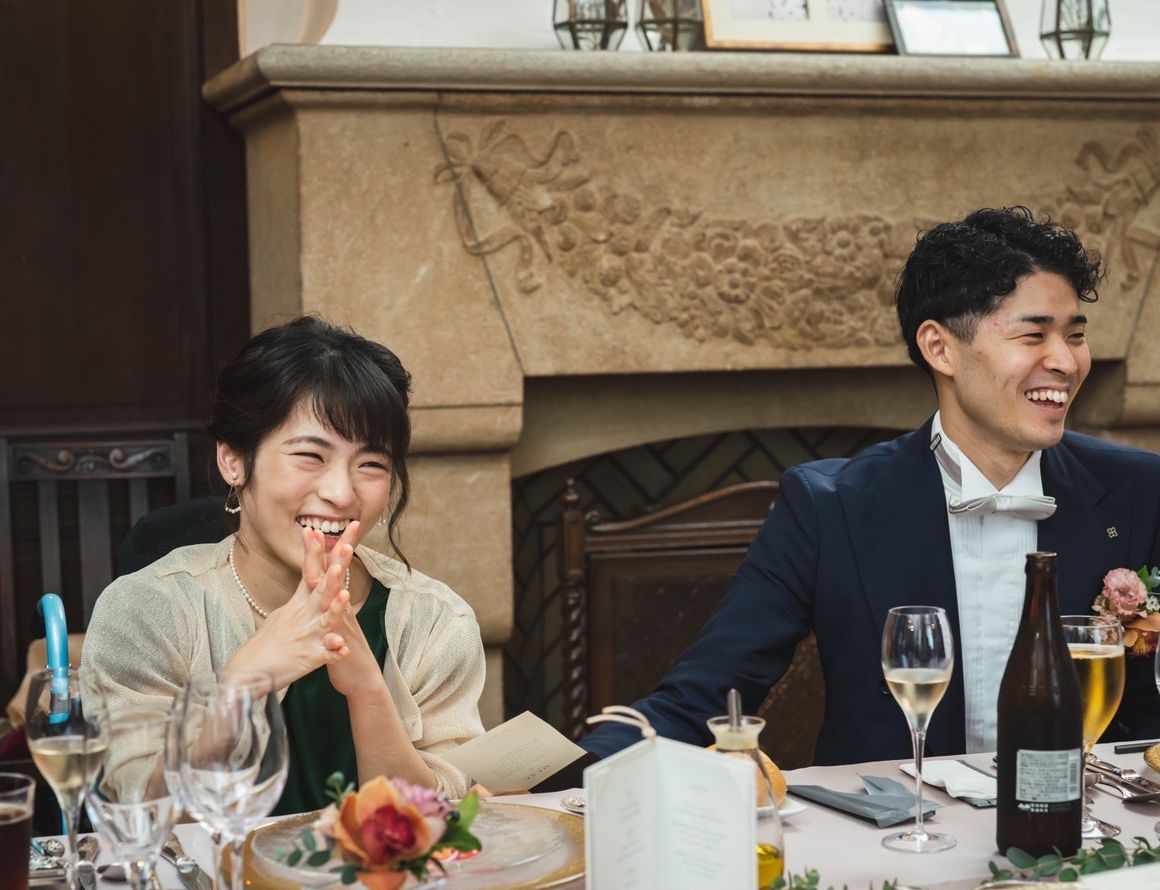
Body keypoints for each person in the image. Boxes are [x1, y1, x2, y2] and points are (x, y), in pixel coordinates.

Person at [580, 206, 1160, 765]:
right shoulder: (829, 505)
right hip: (891, 821)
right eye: (1033, 335)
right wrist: (561, 781)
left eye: (1075, 336)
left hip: (1097, 814)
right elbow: (703, 696)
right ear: (939, 348)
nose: (1066, 362)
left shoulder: (1140, 490)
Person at [83, 316, 485, 809]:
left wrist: (367, 689)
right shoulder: (147, 610)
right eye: (310, 456)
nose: (341, 493)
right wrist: (239, 687)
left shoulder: (436, 621)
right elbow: (139, 811)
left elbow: (433, 822)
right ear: (233, 460)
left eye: (372, 464)